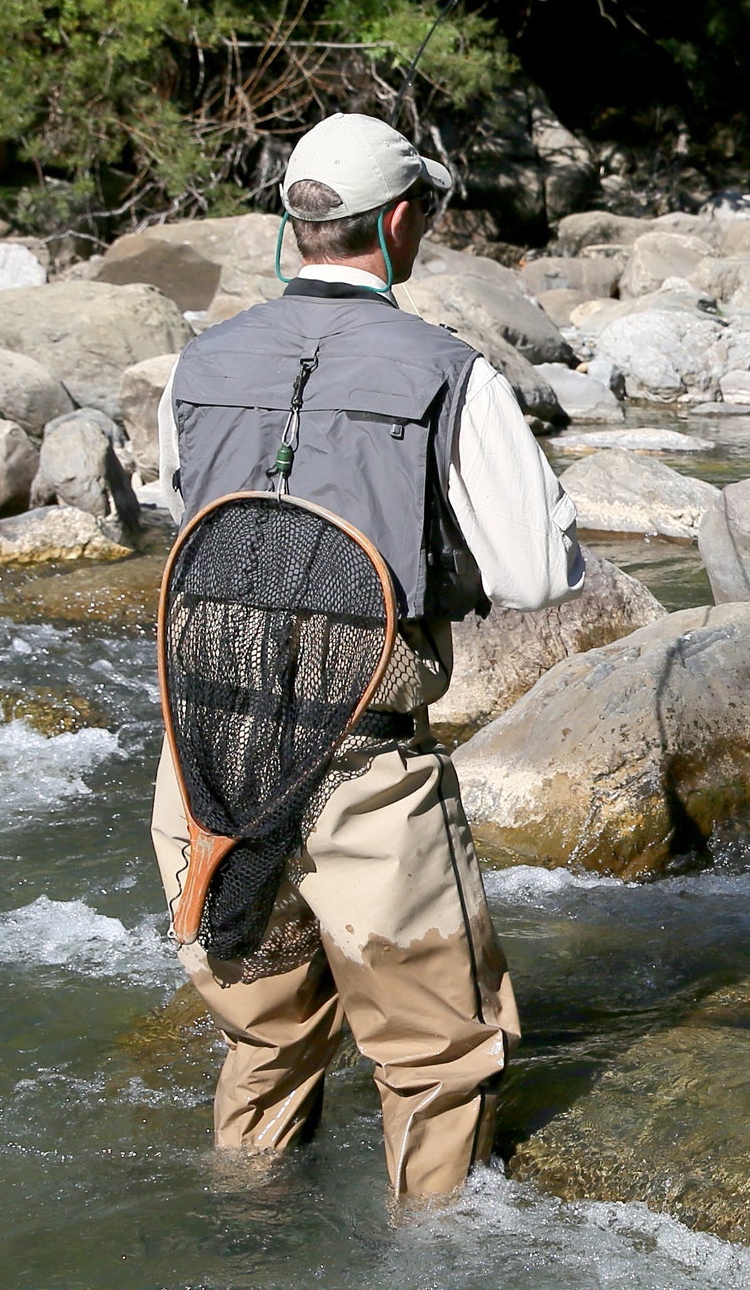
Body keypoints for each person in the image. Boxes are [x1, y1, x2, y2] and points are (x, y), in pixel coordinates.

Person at [147, 112, 584, 1199]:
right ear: (398, 222)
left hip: (205, 764)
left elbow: (182, 511)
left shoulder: (199, 362)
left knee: (269, 1034)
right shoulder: (454, 374)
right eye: (425, 213)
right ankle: (432, 1262)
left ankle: (243, 1239)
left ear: (297, 222)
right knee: (439, 1062)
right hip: (365, 766)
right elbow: (536, 574)